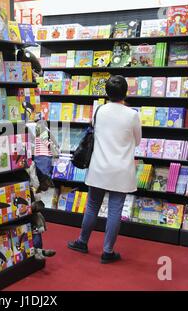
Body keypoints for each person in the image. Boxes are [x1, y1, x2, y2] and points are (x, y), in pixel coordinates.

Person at [67, 75, 142, 264]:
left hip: (99, 167)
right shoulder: (132, 114)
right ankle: (107, 252)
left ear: (107, 93)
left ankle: (82, 242)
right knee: (114, 210)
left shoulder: (98, 111)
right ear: (126, 92)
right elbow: (138, 141)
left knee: (92, 205)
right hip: (121, 170)